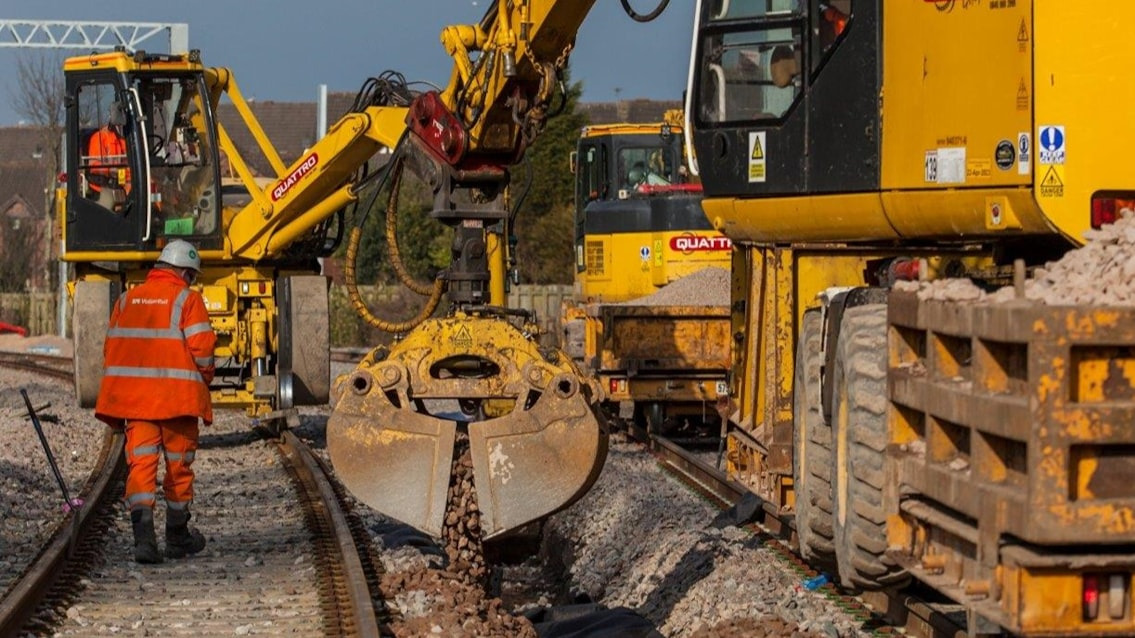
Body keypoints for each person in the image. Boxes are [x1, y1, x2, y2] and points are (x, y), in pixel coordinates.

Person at [94, 239, 216, 564]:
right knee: (179, 468)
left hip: (136, 404)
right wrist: (204, 379)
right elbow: (203, 350)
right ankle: (177, 537)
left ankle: (143, 542)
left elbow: (111, 350)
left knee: (141, 467)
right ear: (184, 272)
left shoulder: (125, 300)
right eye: (191, 275)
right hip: (177, 402)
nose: (191, 281)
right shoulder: (188, 300)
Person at [87, 102, 131, 209]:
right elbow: (95, 167)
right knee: (109, 206)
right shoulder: (99, 138)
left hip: (122, 185)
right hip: (102, 188)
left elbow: (130, 167)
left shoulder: (126, 141)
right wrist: (114, 170)